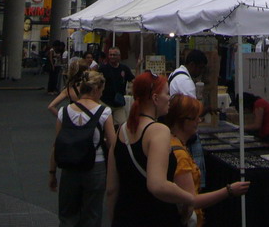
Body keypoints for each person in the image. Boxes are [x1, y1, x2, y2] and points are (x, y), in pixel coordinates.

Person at [106, 71, 247, 227]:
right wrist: (189, 198)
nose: (169, 98)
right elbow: (157, 185)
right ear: (155, 98)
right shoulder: (158, 131)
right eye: (167, 93)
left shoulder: (122, 131)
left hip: (124, 217)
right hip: (155, 217)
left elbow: (112, 189)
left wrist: (112, 219)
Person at [167, 94, 250, 227]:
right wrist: (228, 191)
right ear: (182, 120)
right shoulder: (179, 154)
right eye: (194, 118)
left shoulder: (173, 143)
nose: (198, 121)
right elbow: (192, 199)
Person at [49, 70, 115, 227]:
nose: (101, 94)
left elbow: (56, 145)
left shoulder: (65, 111)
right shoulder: (104, 112)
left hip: (69, 166)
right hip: (96, 166)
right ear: (96, 89)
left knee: (67, 214)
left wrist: (52, 173)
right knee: (92, 213)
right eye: (101, 91)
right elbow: (113, 145)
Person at [169, 50, 209, 181]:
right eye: (200, 68)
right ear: (192, 65)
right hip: (184, 131)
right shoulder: (185, 82)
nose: (201, 72)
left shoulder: (175, 74)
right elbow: (193, 110)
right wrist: (206, 109)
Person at [99, 47, 135, 127]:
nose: (112, 57)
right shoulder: (103, 68)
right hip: (105, 102)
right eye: (110, 55)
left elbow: (133, 80)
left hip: (118, 104)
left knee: (122, 124)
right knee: (104, 124)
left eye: (114, 55)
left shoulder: (124, 68)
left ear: (119, 56)